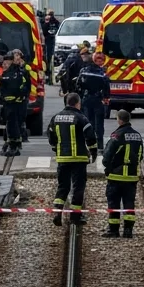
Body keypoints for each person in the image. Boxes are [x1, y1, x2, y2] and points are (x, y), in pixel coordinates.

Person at [47, 91, 97, 226]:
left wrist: (56, 148)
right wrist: (93, 152)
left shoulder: (55, 118)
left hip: (63, 158)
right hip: (79, 158)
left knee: (63, 186)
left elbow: (51, 137)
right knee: (78, 187)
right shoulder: (81, 118)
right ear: (78, 104)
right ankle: (75, 217)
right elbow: (91, 137)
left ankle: (58, 211)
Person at [102, 110, 144, 238]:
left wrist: (108, 167)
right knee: (129, 203)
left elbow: (107, 156)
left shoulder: (116, 135)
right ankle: (128, 231)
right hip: (131, 177)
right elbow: (140, 155)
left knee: (114, 203)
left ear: (119, 120)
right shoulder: (137, 136)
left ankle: (113, 230)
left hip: (116, 176)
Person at [0, 48, 29, 157]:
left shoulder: (19, 72)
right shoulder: (7, 73)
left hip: (16, 104)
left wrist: (19, 96)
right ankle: (11, 144)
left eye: (8, 60)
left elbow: (24, 87)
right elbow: (1, 88)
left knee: (13, 126)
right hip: (9, 104)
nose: (5, 63)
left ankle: (14, 146)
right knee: (11, 125)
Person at [77, 50, 111, 150]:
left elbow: (78, 85)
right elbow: (106, 89)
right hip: (98, 100)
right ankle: (99, 145)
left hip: (86, 100)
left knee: (88, 122)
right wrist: (105, 99)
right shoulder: (102, 74)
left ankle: (89, 143)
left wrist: (80, 97)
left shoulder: (83, 71)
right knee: (99, 124)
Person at [41, 9, 60, 81]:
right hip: (46, 42)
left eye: (51, 15)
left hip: (52, 41)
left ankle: (49, 73)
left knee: (50, 57)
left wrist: (52, 20)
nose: (50, 16)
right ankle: (47, 73)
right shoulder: (44, 21)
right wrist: (46, 22)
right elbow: (43, 30)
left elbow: (57, 27)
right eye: (49, 14)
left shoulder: (55, 21)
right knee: (46, 58)